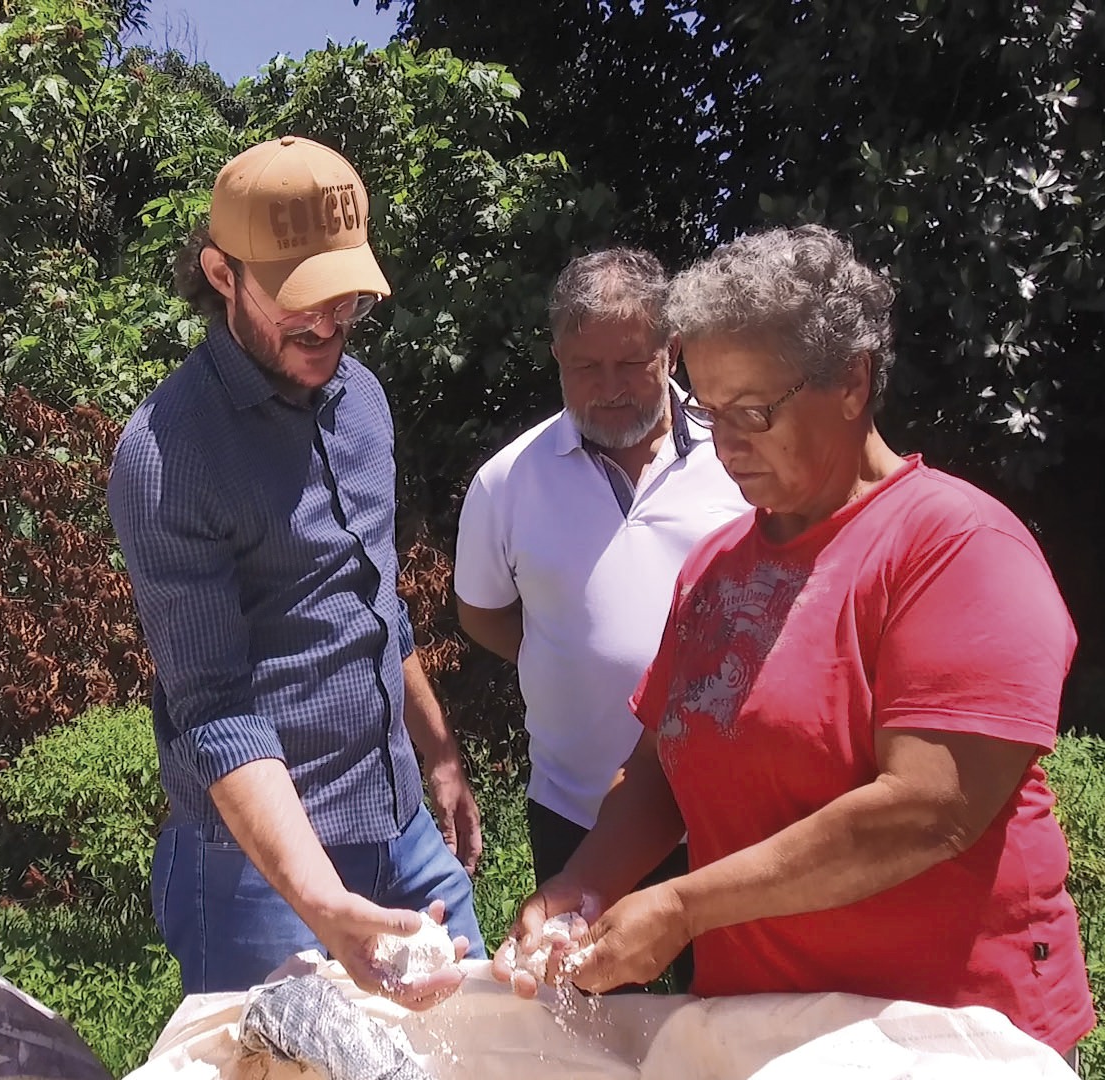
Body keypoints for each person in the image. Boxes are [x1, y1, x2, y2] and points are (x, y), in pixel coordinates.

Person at [493, 225, 1094, 1064]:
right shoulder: (717, 568)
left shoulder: (956, 546)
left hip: (944, 1038)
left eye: (755, 412)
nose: (727, 444)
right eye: (707, 408)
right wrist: (583, 888)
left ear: (853, 381)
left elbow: (930, 809)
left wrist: (683, 909)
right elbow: (663, 765)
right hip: (761, 1034)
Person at [108, 135, 485, 1007]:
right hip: (262, 873)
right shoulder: (168, 455)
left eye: (344, 296)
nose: (328, 324)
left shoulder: (365, 401)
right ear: (221, 273)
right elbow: (215, 709)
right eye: (299, 302)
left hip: (401, 828)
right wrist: (321, 902)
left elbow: (376, 602)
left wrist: (439, 756)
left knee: (470, 1044)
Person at [453, 249, 748, 990]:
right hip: (575, 810)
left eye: (631, 362)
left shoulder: (744, 457)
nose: (611, 389)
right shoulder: (507, 479)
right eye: (587, 367)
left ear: (671, 348)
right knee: (592, 1031)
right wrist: (569, 655)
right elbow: (482, 614)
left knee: (725, 1017)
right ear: (555, 356)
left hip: (728, 816)